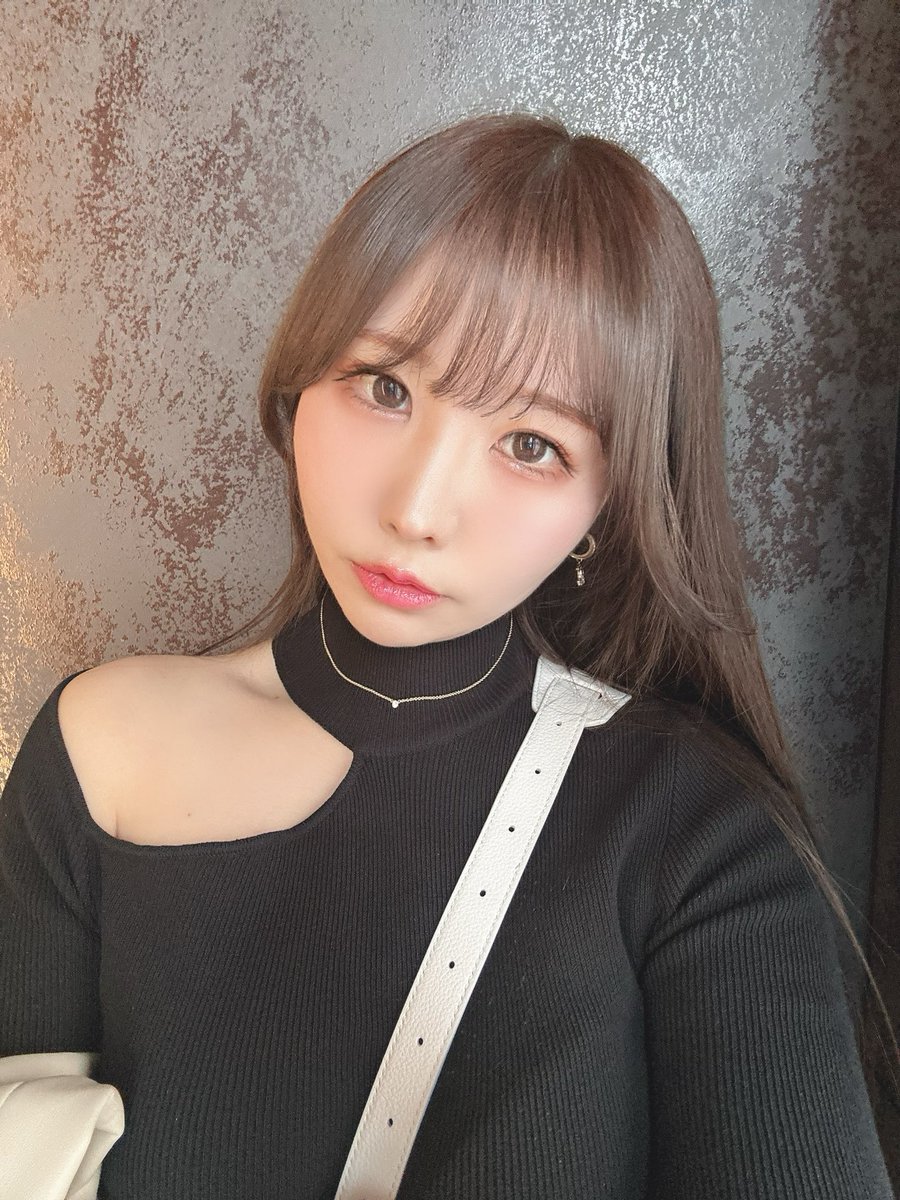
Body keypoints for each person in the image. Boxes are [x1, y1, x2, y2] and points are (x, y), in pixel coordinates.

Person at [0, 113, 894, 1199]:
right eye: (385, 386)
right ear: (300, 380)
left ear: (607, 507)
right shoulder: (97, 750)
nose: (416, 511)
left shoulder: (699, 835)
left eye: (531, 445)